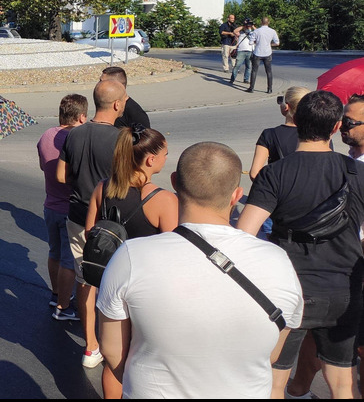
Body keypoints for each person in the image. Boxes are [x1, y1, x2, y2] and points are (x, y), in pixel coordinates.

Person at [98, 142, 303, 398]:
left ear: (174, 182)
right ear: (236, 195)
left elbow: (111, 350)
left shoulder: (130, 256)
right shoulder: (279, 262)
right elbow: (272, 352)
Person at [237, 90, 364, 399]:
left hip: (288, 292)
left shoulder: (274, 174)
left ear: (294, 119)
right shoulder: (358, 173)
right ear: (335, 127)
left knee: (274, 382)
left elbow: (244, 234)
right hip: (343, 291)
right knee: (343, 384)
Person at [85, 124, 178, 398]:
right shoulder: (162, 200)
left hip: (111, 287)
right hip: (146, 293)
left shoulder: (102, 189)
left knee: (115, 361)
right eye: (165, 154)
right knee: (146, 361)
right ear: (151, 160)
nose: (165, 158)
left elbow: (91, 233)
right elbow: (173, 254)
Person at [286, 93, 364, 398]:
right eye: (342, 120)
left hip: (356, 271)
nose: (343, 126)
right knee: (317, 344)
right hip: (335, 275)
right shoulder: (345, 163)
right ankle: (299, 390)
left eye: (351, 122)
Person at [55, 79, 126, 368]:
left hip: (77, 215)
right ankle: (118, 343)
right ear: (118, 104)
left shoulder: (73, 134)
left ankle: (90, 346)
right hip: (111, 222)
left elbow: (62, 176)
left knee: (85, 280)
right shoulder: (122, 138)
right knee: (119, 282)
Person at [37, 94, 88, 321]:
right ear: (81, 116)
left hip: (51, 205)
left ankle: (56, 293)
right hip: (70, 207)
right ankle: (64, 306)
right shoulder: (77, 140)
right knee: (69, 260)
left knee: (54, 253)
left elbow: (43, 165)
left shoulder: (46, 135)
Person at [249, 86, 311, 181]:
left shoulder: (269, 134)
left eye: (281, 100)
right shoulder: (320, 135)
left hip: (279, 192)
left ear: (286, 106)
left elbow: (254, 173)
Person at [247, 16, 280, 94]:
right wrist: (269, 44)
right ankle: (269, 89)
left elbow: (250, 42)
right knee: (269, 71)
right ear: (268, 22)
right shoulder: (272, 31)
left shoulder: (257, 31)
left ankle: (251, 88)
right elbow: (277, 43)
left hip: (257, 52)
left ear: (261, 22)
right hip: (267, 52)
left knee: (254, 71)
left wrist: (256, 42)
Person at [229, 18, 256, 85]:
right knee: (237, 65)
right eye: (247, 25)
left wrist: (252, 25)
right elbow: (235, 31)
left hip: (250, 51)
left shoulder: (253, 33)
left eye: (249, 25)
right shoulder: (240, 32)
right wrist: (244, 26)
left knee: (248, 66)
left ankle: (246, 79)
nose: (248, 27)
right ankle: (232, 79)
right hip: (241, 51)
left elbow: (258, 31)